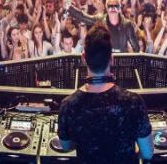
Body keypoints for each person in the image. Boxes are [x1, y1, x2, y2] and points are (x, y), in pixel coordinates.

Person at [58, 24, 153, 163]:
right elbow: (148, 153)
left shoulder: (68, 106)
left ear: (83, 58)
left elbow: (66, 146)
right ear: (111, 59)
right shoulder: (133, 102)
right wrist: (131, 153)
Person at [67, 0, 139, 52]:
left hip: (120, 61)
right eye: (110, 6)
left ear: (120, 8)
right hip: (104, 60)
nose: (113, 8)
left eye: (116, 6)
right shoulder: (100, 19)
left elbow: (136, 47)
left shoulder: (127, 24)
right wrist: (69, 7)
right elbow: (83, 17)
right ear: (106, 8)